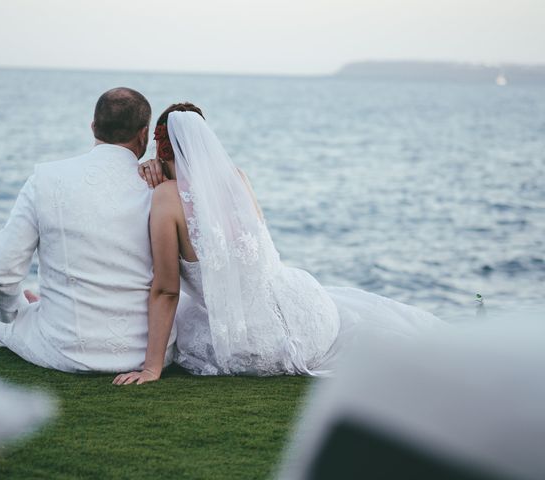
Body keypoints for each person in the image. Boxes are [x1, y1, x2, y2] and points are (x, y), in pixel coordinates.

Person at [114, 104, 443, 385]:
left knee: (187, 325)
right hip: (309, 318)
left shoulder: (165, 199)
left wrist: (151, 367)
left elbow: (167, 290)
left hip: (251, 345)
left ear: (160, 147)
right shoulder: (238, 178)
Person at [0, 87, 175, 373]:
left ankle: (35, 310)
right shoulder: (160, 189)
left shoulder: (44, 180)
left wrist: (15, 312)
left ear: (93, 126)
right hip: (152, 352)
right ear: (144, 134)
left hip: (65, 350)